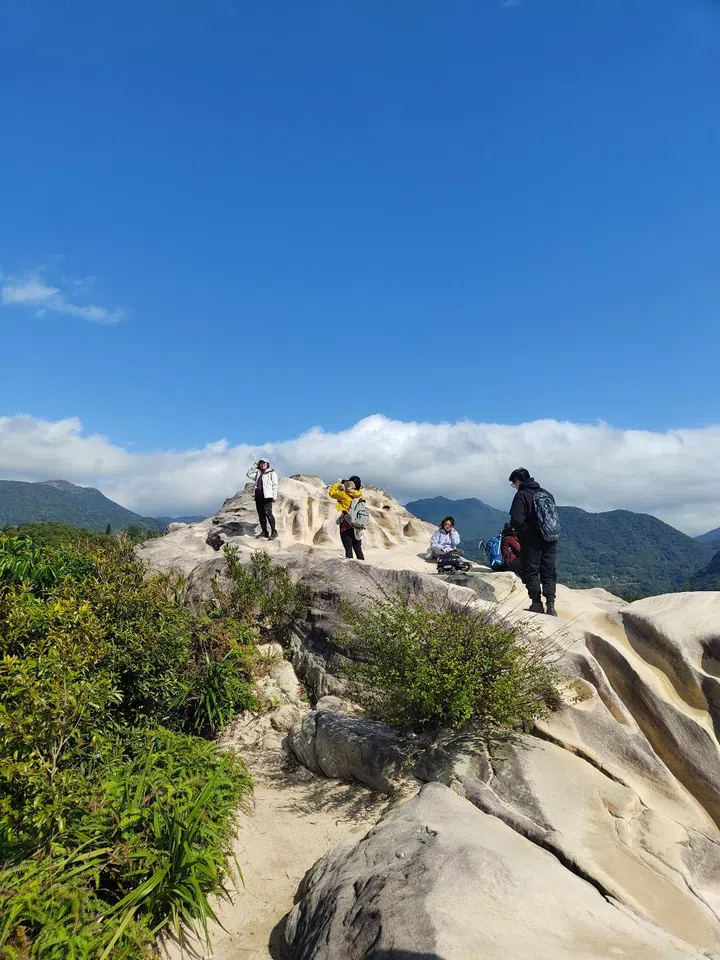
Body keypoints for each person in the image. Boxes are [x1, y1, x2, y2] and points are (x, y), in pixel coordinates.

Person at [509, 468, 560, 616]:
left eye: (514, 483)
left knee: (531, 571)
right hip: (550, 539)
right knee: (549, 571)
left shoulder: (522, 495)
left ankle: (536, 604)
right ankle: (551, 605)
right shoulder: (547, 494)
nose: (514, 486)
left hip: (531, 540)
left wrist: (515, 530)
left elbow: (517, 519)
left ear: (518, 481)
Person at [328, 475, 367, 560]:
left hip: (346, 524)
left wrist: (337, 484)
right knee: (358, 550)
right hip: (357, 525)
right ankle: (362, 570)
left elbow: (332, 493)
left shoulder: (344, 494)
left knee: (348, 550)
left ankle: (350, 571)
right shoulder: (360, 495)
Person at [247, 459, 279, 540]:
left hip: (267, 496)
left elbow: (275, 485)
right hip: (258, 497)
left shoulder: (271, 473)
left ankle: (274, 532)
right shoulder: (258, 473)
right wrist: (255, 465)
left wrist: (274, 496)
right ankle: (264, 532)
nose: (262, 465)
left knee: (268, 514)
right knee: (261, 515)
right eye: (261, 463)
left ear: (267, 464)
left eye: (264, 463)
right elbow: (248, 474)